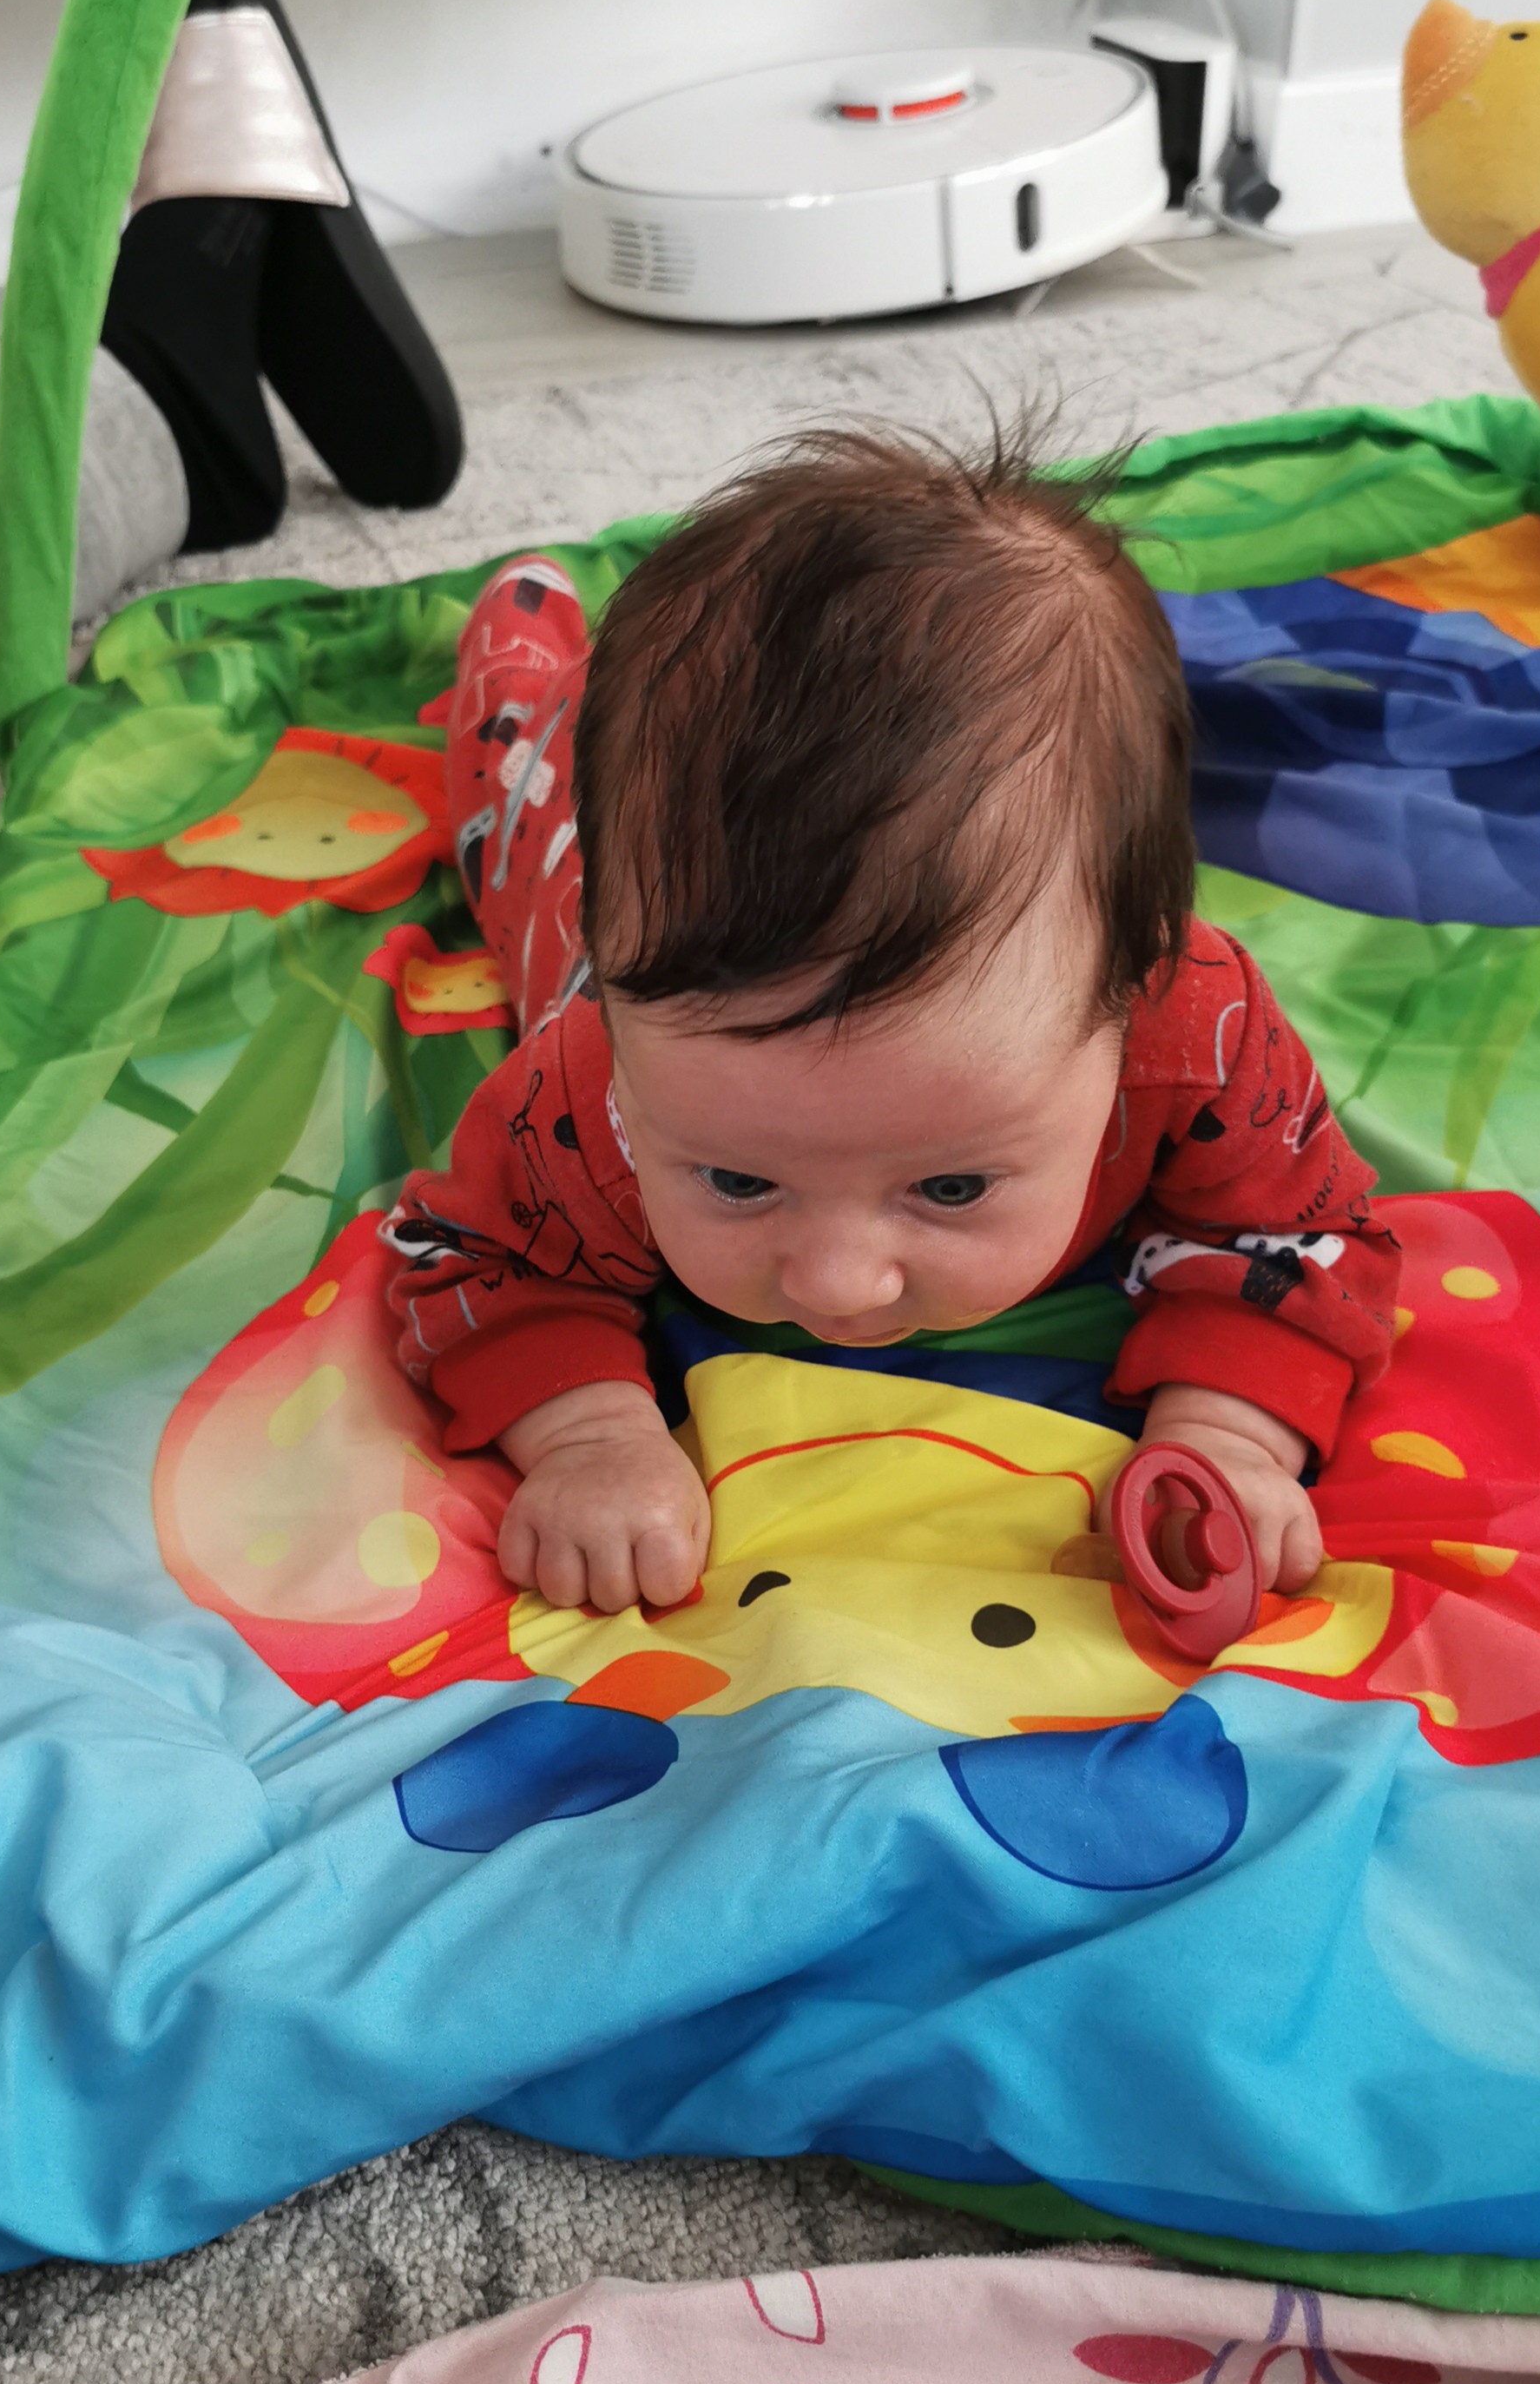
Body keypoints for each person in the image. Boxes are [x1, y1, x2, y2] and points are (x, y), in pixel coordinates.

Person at [384, 425, 1399, 1616]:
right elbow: (479, 1259)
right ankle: (518, 638)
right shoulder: (589, 1082)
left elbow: (1293, 1237)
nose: (841, 1284)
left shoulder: (1203, 1037)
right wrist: (589, 1435)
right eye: (738, 1181)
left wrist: (1227, 1430)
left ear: (1129, 996)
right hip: (561, 885)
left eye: (950, 1187)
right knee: (519, 789)